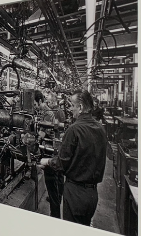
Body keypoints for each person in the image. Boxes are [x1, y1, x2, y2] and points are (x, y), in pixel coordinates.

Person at [40, 90, 107, 226]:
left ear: (80, 107)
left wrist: (47, 161)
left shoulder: (74, 130)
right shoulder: (100, 129)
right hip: (92, 195)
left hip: (75, 193)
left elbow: (61, 163)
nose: (70, 109)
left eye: (72, 105)